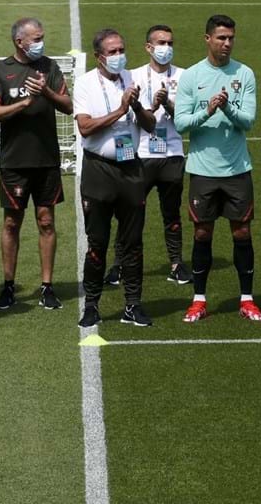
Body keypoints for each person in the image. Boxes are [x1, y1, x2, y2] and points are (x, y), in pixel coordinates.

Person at [174, 15, 261, 323]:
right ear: (207, 39)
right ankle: (199, 299)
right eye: (221, 38)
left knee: (242, 231)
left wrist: (227, 107)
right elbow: (181, 123)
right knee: (202, 232)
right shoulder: (191, 77)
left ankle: (247, 298)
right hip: (202, 170)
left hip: (237, 169)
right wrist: (208, 110)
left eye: (231, 38)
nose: (227, 44)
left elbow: (249, 121)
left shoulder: (245, 73)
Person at [0, 17, 73, 312]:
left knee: (46, 221)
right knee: (12, 223)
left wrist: (46, 92)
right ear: (19, 42)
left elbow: (69, 105)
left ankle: (47, 286)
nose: (40, 43)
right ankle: (8, 286)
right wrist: (23, 104)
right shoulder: (1, 69)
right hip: (15, 162)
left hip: (46, 159)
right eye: (36, 38)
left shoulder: (49, 67)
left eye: (42, 37)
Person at [74, 29, 156, 328]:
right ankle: (92, 305)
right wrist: (120, 109)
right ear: (99, 57)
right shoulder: (84, 84)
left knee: (133, 242)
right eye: (112, 52)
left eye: (122, 49)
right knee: (98, 242)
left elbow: (150, 125)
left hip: (131, 168)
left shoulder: (133, 81)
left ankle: (132, 305)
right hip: (99, 170)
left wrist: (135, 106)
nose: (119, 56)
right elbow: (85, 127)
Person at [104, 25, 190, 286]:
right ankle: (120, 263)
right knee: (129, 212)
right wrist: (147, 108)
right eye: (161, 43)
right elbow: (126, 117)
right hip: (137, 154)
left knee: (171, 212)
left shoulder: (185, 77)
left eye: (170, 43)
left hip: (172, 152)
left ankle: (176, 263)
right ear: (148, 47)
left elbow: (186, 121)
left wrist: (169, 105)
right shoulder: (131, 76)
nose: (167, 48)